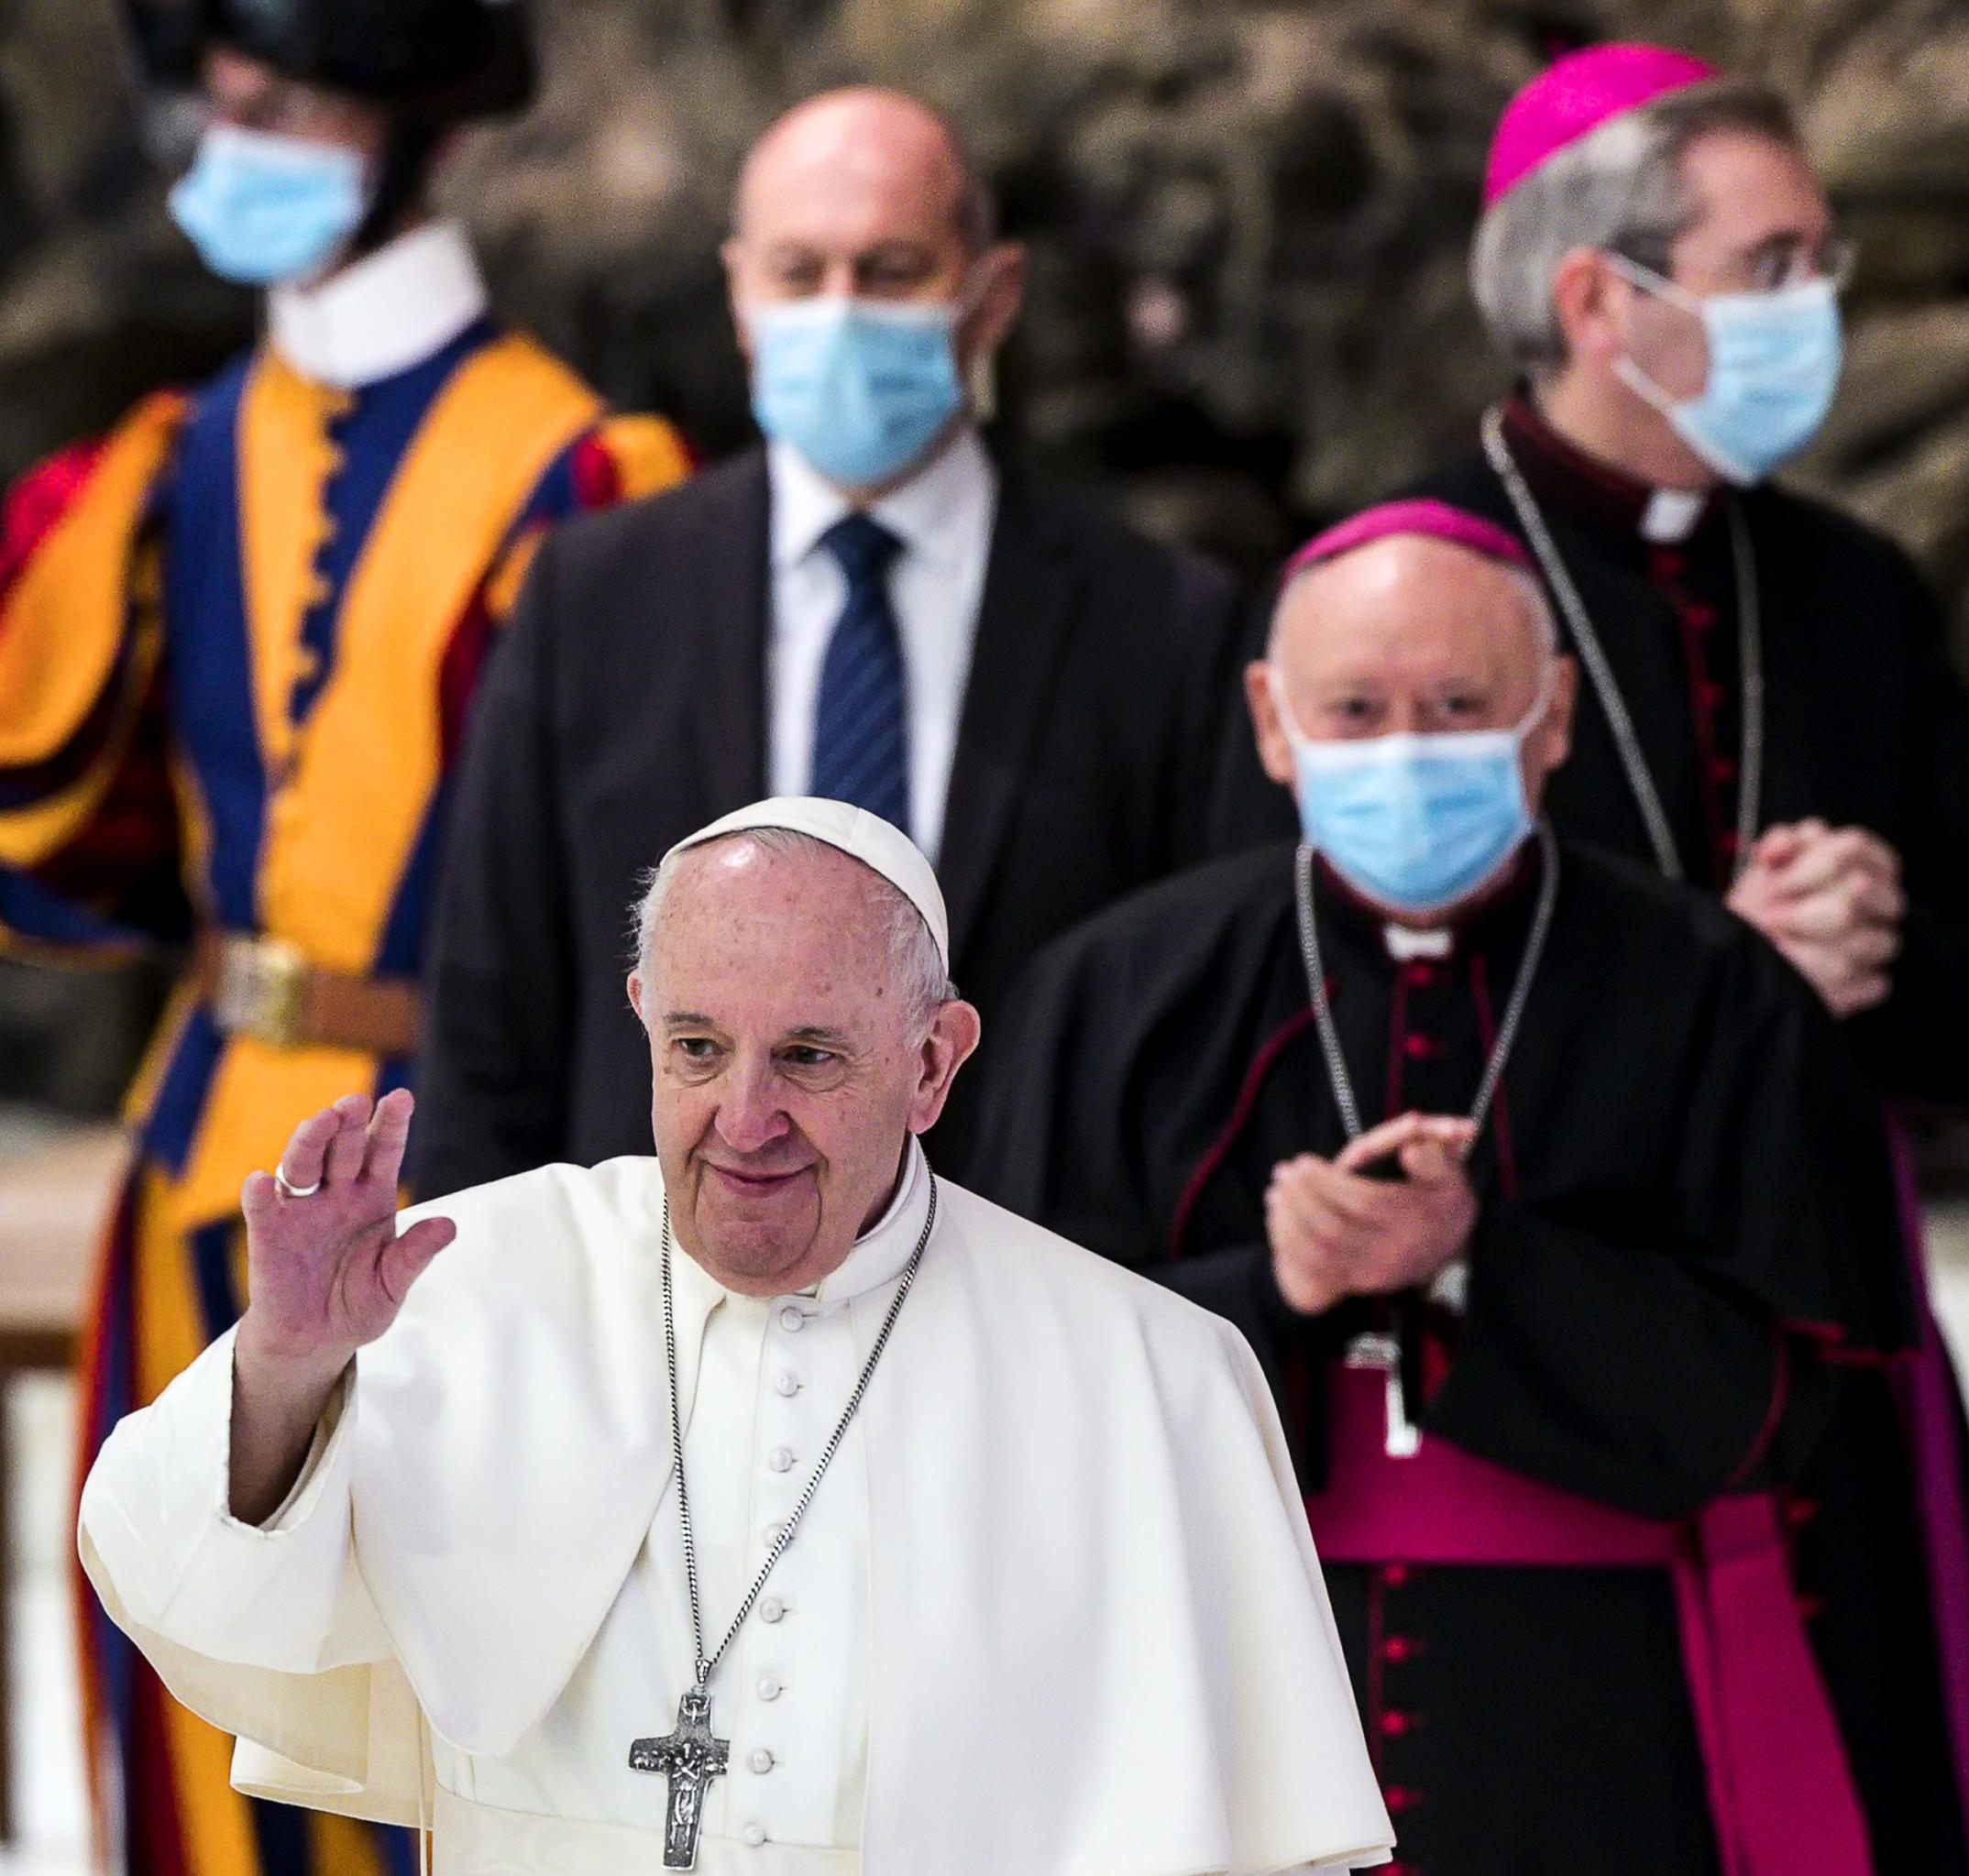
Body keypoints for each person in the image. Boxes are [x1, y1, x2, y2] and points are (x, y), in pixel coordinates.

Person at [1209, 46, 1969, 1871]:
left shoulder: (1850, 593)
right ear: (1600, 298)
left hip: (1822, 1345)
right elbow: (1278, 989)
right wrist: (1707, 979)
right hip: (1523, 1369)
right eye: (1776, 265)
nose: (1820, 306)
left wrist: (1888, 956)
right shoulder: (1391, 599)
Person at [79, 795, 1392, 1876]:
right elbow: (175, 1587)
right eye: (699, 1047)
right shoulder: (471, 1280)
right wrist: (287, 1363)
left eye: (811, 1056)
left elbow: (1270, 1843)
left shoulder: (1147, 1377)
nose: (743, 1115)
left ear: (934, 1061)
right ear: (646, 1013)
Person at [973, 499, 1969, 1876]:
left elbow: (1776, 1402)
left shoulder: (1715, 993)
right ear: (1273, 724)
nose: (1408, 750)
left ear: (1555, 713)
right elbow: (1010, 1384)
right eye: (1356, 707)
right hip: (1228, 1704)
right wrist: (1277, 1290)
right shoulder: (1117, 996)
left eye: (1462, 704)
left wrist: (1471, 1259)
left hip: (1608, 1723)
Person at [0, 3, 688, 1867]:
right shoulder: (172, 457)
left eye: (282, 104)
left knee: (431, 1695)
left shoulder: (583, 473)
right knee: (179, 1676)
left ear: (410, 132)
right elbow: (58, 834)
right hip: (186, 1153)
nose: (232, 140)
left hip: (463, 1162)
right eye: (218, 102)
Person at [410, 85, 1242, 1196]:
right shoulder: (594, 596)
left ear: (992, 297)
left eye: (892, 271)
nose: (840, 310)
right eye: (799, 273)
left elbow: (1205, 1020)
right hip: (659, 1303)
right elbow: (488, 1015)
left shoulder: (1163, 626)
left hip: (1032, 1297)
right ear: (741, 296)